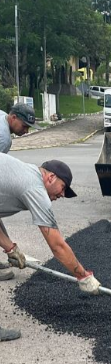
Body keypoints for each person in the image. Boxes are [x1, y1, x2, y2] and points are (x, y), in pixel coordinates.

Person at [0, 154, 101, 342]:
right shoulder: (35, 189)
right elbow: (57, 245)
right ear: (51, 177)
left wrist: (10, 248)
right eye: (63, 188)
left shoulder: (26, 174)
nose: (62, 195)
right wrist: (83, 276)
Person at [0, 103, 41, 281]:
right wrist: (10, 247)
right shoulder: (3, 138)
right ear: (13, 117)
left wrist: (8, 245)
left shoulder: (2, 116)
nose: (26, 131)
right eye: (24, 126)